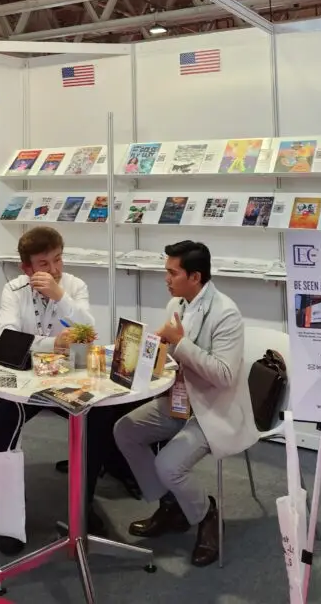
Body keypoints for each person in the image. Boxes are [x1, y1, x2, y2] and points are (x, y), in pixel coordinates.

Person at [114, 240, 258, 567]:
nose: (166, 278)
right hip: (180, 401)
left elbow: (223, 375)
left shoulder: (226, 313)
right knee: (125, 430)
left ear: (195, 277)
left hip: (214, 408)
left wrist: (179, 344)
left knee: (168, 464)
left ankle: (207, 516)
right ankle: (171, 506)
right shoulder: (177, 304)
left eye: (172, 272)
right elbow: (172, 358)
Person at [0, 226, 125, 554]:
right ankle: (6, 513)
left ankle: (84, 504)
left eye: (58, 260)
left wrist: (60, 297)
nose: (53, 270)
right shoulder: (14, 289)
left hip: (71, 375)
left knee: (98, 419)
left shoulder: (75, 286)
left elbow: (88, 332)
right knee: (1, 417)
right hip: (31, 379)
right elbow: (5, 339)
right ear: (26, 268)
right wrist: (52, 343)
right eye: (43, 264)